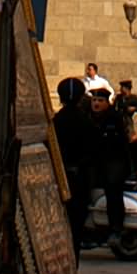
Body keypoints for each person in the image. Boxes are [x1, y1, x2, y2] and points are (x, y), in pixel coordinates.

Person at [53, 76, 95, 256]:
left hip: (57, 178)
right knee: (76, 227)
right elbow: (93, 152)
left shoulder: (55, 122)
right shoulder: (87, 122)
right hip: (80, 181)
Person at [87, 85, 131, 243]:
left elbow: (124, 143)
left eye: (100, 100)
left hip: (113, 161)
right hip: (94, 161)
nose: (96, 104)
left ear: (107, 102)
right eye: (94, 100)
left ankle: (116, 228)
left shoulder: (115, 118)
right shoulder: (88, 117)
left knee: (113, 190)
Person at [114, 78, 137, 175]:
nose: (121, 89)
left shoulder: (134, 98)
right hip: (121, 122)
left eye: (123, 87)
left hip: (132, 123)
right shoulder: (119, 98)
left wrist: (134, 108)